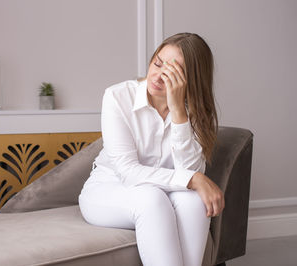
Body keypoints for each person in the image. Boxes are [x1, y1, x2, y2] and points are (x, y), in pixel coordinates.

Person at [78, 32, 225, 266]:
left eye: (172, 73)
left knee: (194, 202)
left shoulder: (196, 111)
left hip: (165, 194)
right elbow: (127, 171)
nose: (158, 76)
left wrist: (178, 112)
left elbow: (188, 172)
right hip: (108, 189)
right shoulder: (117, 96)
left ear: (191, 80)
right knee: (151, 198)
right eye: (157, 64)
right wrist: (194, 179)